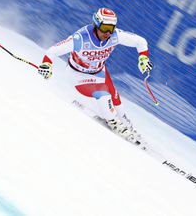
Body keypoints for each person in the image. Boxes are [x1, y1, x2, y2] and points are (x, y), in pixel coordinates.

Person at [38, 8, 153, 146]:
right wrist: (46, 64)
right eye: (104, 28)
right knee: (103, 93)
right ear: (96, 24)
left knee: (115, 97)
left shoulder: (115, 36)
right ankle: (115, 123)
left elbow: (140, 42)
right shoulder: (81, 38)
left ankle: (126, 125)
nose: (108, 33)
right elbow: (53, 50)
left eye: (111, 28)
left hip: (99, 72)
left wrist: (143, 59)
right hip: (78, 75)